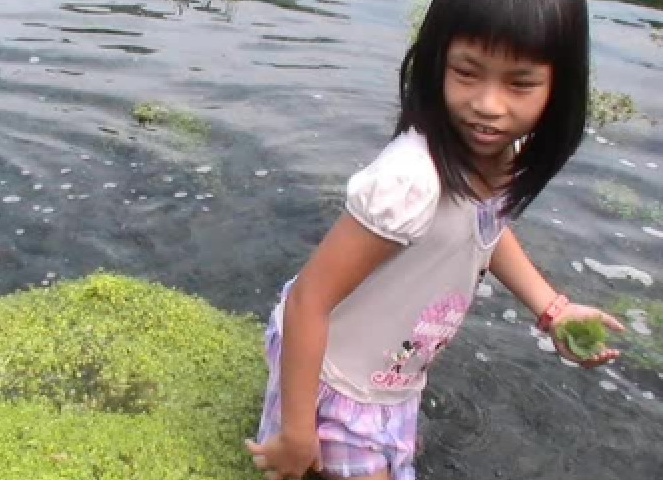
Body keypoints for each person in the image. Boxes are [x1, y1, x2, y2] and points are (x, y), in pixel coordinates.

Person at [245, 0, 626, 479]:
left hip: (391, 376)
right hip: (332, 370)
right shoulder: (411, 181)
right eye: (467, 73)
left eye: (519, 83)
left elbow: (486, 230)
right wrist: (297, 433)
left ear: (560, 86)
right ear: (436, 62)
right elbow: (308, 301)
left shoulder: (497, 156)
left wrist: (553, 310)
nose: (488, 105)